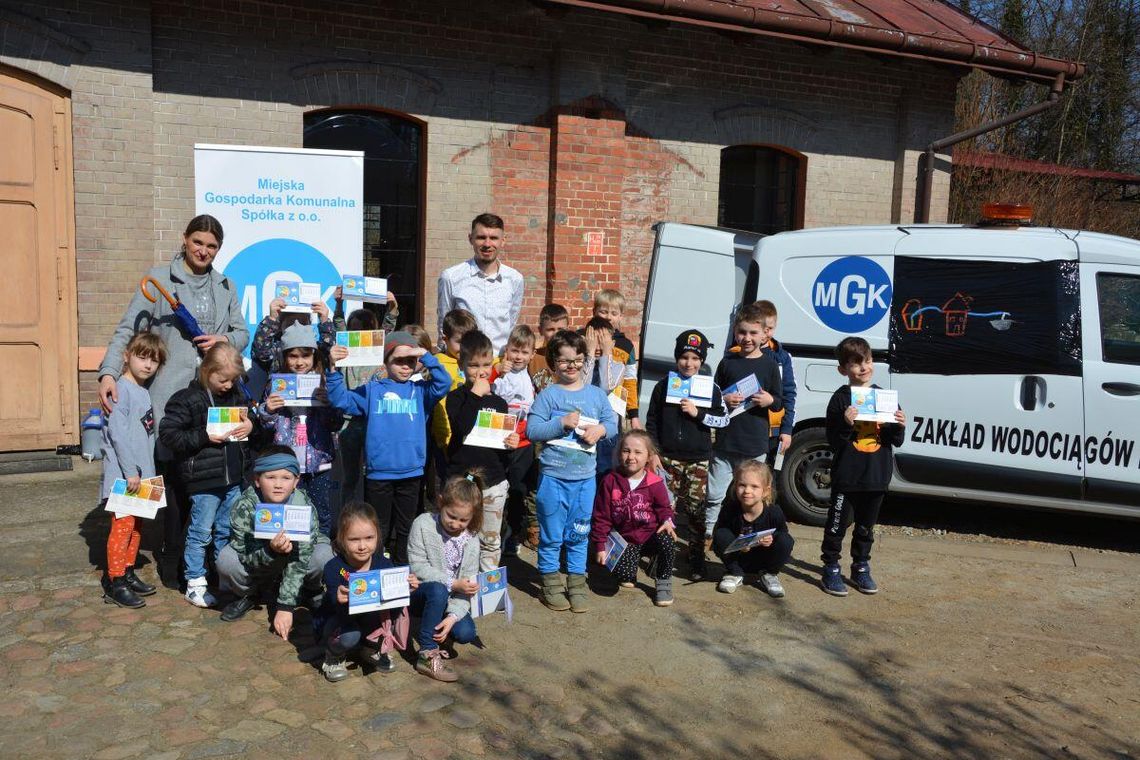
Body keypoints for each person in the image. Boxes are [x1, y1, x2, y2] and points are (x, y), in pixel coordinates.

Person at [96, 214, 249, 586]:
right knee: (171, 484)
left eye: (211, 246)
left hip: (210, 399)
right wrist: (108, 373)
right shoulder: (160, 278)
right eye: (198, 242)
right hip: (168, 398)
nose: (203, 251)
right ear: (185, 239)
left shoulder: (225, 285)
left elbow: (241, 332)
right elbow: (127, 330)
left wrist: (224, 342)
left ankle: (201, 562)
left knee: (202, 480)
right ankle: (170, 560)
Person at [326, 331, 451, 564]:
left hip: (411, 471)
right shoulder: (372, 390)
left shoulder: (422, 391)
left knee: (406, 526)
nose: (405, 367)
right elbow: (340, 399)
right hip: (379, 473)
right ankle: (378, 567)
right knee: (379, 526)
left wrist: (426, 356)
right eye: (398, 361)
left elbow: (445, 382)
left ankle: (403, 567)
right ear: (386, 361)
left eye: (410, 361)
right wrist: (332, 367)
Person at [526, 330, 620, 613]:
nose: (572, 366)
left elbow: (612, 424)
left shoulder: (595, 394)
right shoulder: (549, 396)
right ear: (554, 362)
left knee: (579, 533)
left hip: (584, 481)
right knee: (552, 534)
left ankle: (577, 583)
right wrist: (561, 423)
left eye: (577, 360)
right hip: (553, 479)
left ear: (584, 360)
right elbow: (532, 430)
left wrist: (601, 429)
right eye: (565, 361)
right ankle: (550, 583)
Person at [159, 342, 254, 608]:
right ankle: (195, 582)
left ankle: (221, 577)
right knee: (200, 532)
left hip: (232, 479)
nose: (228, 385)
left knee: (227, 530)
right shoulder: (187, 399)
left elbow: (249, 420)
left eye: (233, 379)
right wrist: (204, 436)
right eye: (223, 379)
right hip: (204, 481)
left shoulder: (236, 396)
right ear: (206, 371)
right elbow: (169, 434)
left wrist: (250, 424)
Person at [821, 337, 906, 596]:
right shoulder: (840, 399)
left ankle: (861, 566)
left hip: (876, 475)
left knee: (865, 527)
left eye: (867, 361)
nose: (863, 367)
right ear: (843, 369)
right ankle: (831, 568)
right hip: (847, 475)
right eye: (856, 363)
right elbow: (834, 442)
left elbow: (896, 440)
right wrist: (846, 423)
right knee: (837, 525)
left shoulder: (884, 397)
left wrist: (900, 424)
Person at [216, 446, 334, 633]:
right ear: (257, 480)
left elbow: (301, 558)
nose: (278, 484)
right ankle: (249, 594)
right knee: (226, 559)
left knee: (323, 554)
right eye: (270, 477)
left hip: (297, 559)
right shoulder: (244, 507)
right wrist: (271, 550)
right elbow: (246, 554)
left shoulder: (303, 507)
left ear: (296, 482)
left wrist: (285, 607)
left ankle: (310, 589)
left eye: (286, 478)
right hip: (260, 561)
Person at [704, 303, 784, 564]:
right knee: (715, 493)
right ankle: (708, 534)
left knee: (752, 495)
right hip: (727, 441)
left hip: (754, 443)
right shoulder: (728, 362)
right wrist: (726, 398)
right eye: (742, 332)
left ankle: (750, 537)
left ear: (764, 335)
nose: (747, 338)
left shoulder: (771, 365)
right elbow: (714, 398)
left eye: (752, 333)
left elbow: (781, 400)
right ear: (735, 333)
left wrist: (769, 399)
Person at [645, 329, 727, 581]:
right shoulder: (663, 386)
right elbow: (652, 422)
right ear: (676, 358)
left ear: (701, 361)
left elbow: (723, 420)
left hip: (698, 460)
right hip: (667, 459)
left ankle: (696, 557)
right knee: (664, 509)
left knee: (696, 512)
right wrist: (653, 452)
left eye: (694, 358)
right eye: (684, 357)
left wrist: (698, 413)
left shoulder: (710, 388)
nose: (689, 363)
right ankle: (662, 554)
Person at [315, 501, 419, 682]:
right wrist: (336, 596)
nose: (362, 546)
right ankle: (333, 654)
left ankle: (368, 647)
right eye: (354, 540)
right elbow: (330, 600)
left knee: (390, 618)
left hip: (372, 620)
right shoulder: (334, 567)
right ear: (341, 538)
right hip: (342, 621)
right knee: (349, 637)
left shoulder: (384, 564)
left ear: (378, 536)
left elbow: (393, 601)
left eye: (369, 538)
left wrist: (406, 587)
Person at [100, 332, 168, 609]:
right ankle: (115, 581)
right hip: (127, 475)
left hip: (143, 474)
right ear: (126, 356)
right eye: (142, 357)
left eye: (154, 360)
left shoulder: (142, 391)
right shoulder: (120, 389)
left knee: (137, 526)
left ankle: (127, 572)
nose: (148, 365)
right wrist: (130, 471)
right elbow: (117, 434)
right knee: (122, 527)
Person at [257, 323, 343, 537]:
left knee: (321, 512)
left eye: (305, 356)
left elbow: (336, 423)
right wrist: (267, 410)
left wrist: (328, 405)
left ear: (314, 355)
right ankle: (292, 555)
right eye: (293, 356)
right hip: (287, 464)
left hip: (318, 463)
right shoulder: (275, 384)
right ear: (285, 357)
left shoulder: (323, 382)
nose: (299, 362)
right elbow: (265, 424)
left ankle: (320, 554)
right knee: (289, 512)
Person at [444, 331, 519, 570]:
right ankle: (457, 584)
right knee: (459, 535)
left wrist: (510, 443)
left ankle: (487, 590)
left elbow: (500, 451)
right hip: (462, 480)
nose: (481, 371)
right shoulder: (456, 398)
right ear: (461, 364)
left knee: (490, 539)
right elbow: (463, 427)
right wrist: (475, 395)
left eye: (487, 365)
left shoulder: (499, 403)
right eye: (474, 365)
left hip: (493, 481)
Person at [406, 472, 485, 683]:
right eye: (451, 516)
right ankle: (426, 652)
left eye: (463, 520)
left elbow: (467, 585)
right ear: (441, 503)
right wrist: (453, 583)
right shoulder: (423, 524)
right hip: (420, 593)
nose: (456, 523)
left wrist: (453, 617)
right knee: (438, 589)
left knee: (466, 632)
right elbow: (418, 565)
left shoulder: (472, 541)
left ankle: (443, 628)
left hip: (451, 599)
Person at [591, 430, 677, 606]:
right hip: (625, 540)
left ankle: (663, 581)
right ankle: (630, 564)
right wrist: (600, 546)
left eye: (638, 452)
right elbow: (602, 516)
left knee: (667, 540)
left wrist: (668, 521)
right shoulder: (609, 481)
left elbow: (664, 509)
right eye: (626, 450)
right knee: (625, 578)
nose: (631, 457)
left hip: (649, 537)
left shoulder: (655, 483)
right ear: (619, 453)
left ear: (649, 457)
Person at [436, 213, 524, 354]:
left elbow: (511, 324)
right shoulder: (451, 277)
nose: (487, 244)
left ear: (503, 240)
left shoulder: (515, 279)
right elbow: (444, 324)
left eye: (494, 238)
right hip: (462, 365)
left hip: (498, 365)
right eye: (481, 237)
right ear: (470, 239)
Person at [712, 460, 794, 596]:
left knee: (785, 540)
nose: (747, 491)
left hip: (764, 559)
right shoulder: (730, 509)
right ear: (735, 486)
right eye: (742, 485)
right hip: (737, 559)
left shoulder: (774, 512)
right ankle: (734, 573)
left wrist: (771, 539)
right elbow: (719, 539)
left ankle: (769, 574)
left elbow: (783, 535)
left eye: (754, 486)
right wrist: (739, 544)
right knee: (721, 534)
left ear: (765, 491)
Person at [491, 324, 537, 556]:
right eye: (514, 350)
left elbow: (534, 412)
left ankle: (513, 534)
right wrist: (495, 371)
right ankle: (491, 533)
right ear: (507, 349)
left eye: (524, 352)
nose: (518, 357)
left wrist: (523, 433)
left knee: (519, 491)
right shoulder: (499, 371)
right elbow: (483, 391)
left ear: (532, 354)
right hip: (498, 443)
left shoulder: (532, 379)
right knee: (495, 490)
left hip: (522, 445)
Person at [586, 289, 640, 428]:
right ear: (594, 311)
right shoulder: (584, 337)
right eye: (603, 312)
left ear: (621, 316)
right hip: (585, 402)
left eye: (614, 313)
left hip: (613, 408)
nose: (608, 317)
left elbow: (630, 380)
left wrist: (633, 415)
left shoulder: (626, 345)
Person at [251, 289, 335, 375]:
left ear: (309, 323)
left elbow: (328, 350)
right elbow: (262, 352)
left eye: (302, 322)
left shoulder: (314, 350)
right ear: (279, 325)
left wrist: (324, 320)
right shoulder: (278, 351)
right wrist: (272, 319)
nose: (296, 325)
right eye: (290, 323)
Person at [430, 309, 480, 455]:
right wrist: (444, 438)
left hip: (471, 437)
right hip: (447, 438)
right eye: (459, 342)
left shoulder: (476, 362)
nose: (465, 348)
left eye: (468, 342)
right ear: (445, 339)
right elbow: (440, 406)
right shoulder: (439, 364)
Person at [754, 300, 797, 467]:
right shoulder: (737, 353)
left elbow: (790, 393)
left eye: (770, 328)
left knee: (768, 475)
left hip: (774, 429)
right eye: (762, 328)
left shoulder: (782, 357)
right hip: (746, 427)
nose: (766, 333)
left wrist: (786, 430)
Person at [530, 303, 568, 395]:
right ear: (540, 330)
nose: (556, 334)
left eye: (560, 329)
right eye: (550, 329)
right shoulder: (533, 357)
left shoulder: (573, 357)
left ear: (567, 329)